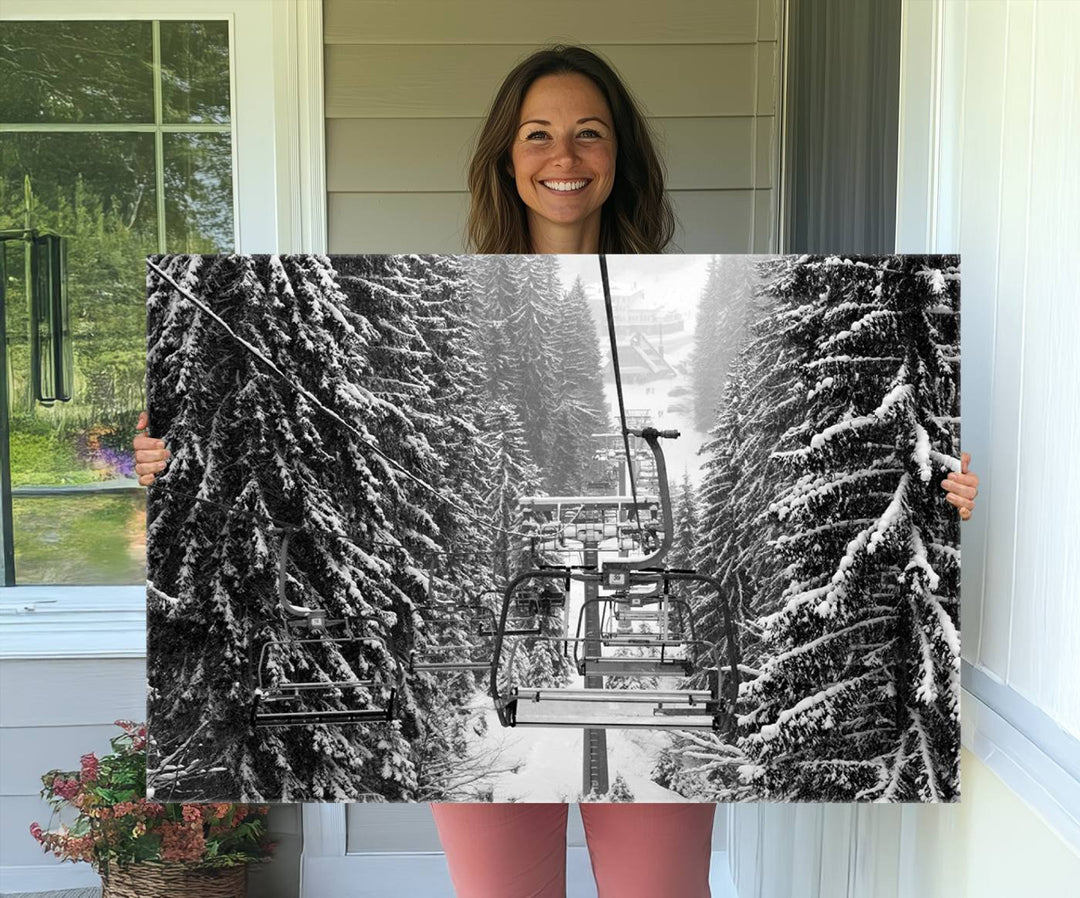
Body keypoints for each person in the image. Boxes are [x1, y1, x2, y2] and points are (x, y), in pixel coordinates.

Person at [134, 44, 979, 898]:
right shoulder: (453, 304)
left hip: (643, 696)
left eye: (589, 134)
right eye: (537, 135)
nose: (563, 158)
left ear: (619, 159)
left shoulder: (701, 288)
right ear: (507, 158)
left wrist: (934, 494)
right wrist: (174, 466)